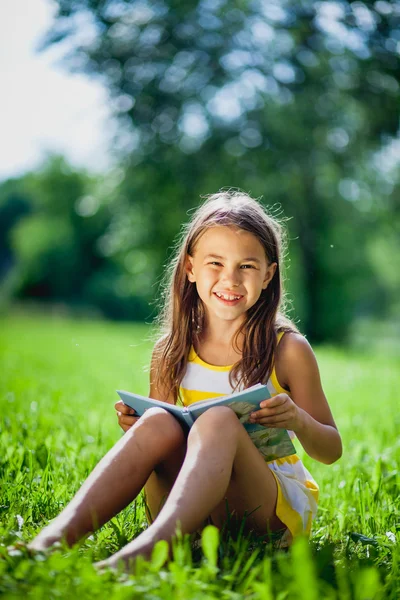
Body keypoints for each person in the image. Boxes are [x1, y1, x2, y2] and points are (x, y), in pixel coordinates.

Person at [28, 190, 342, 569]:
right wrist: (134, 426)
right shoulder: (171, 350)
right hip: (190, 512)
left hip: (267, 516)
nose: (230, 279)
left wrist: (297, 419)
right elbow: (162, 448)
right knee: (160, 421)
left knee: (219, 420)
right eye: (215, 263)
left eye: (246, 266)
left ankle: (148, 551)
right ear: (190, 268)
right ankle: (50, 539)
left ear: (268, 275)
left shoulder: (287, 349)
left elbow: (330, 450)